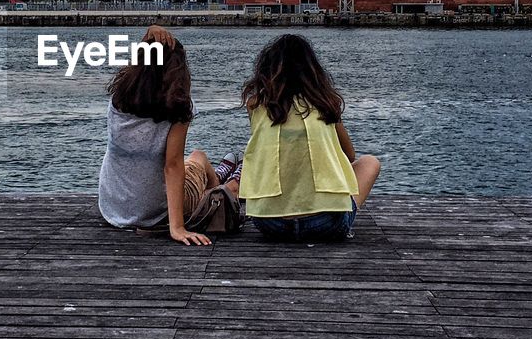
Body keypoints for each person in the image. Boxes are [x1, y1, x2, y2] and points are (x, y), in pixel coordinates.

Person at [97, 25, 240, 246]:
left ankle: (216, 178)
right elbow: (172, 165)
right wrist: (177, 227)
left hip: (113, 208)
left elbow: (137, 64)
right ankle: (228, 187)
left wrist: (150, 35)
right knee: (197, 158)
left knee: (192, 162)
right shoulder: (179, 109)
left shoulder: (119, 98)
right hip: (156, 212)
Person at [239, 33, 380, 242]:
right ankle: (326, 207)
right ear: (313, 71)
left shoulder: (255, 105)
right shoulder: (326, 104)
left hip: (269, 222)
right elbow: (350, 155)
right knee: (370, 162)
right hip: (324, 224)